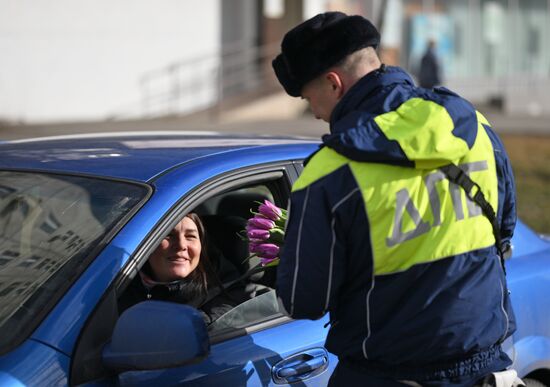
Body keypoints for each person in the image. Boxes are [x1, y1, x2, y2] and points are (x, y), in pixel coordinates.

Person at [272, 12, 519, 387]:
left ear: (334, 83)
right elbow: (504, 229)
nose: (317, 114)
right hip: (484, 368)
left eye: (309, 99)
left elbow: (304, 300)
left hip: (386, 374)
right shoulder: (476, 126)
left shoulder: (329, 171)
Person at [118, 213, 243, 325]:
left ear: (201, 247)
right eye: (168, 235)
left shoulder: (226, 289)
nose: (181, 245)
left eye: (190, 236)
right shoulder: (117, 283)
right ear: (146, 244)